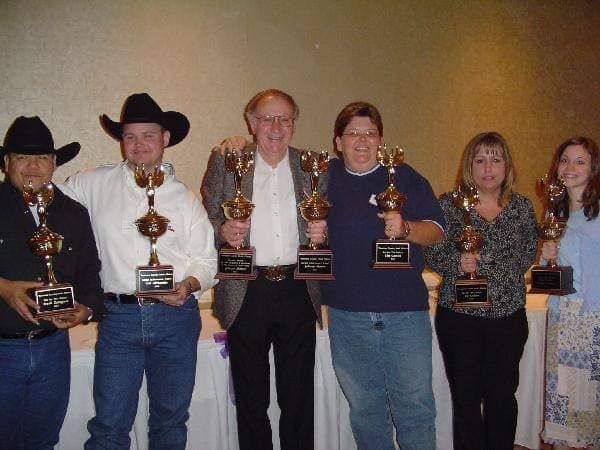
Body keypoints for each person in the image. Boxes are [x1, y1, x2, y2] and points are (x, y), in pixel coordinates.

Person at [65, 93, 218, 450]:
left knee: (170, 422)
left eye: (148, 135)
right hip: (118, 318)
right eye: (130, 136)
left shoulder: (184, 197)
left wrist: (188, 285)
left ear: (165, 138)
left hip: (176, 318)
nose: (139, 144)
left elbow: (208, 261)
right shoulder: (91, 184)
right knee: (109, 425)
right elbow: (44, 204)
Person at [201, 88, 326, 450]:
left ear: (294, 123)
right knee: (251, 399)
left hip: (297, 288)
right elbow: (204, 218)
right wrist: (221, 230)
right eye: (267, 118)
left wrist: (324, 232)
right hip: (246, 289)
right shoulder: (228, 161)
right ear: (251, 123)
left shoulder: (313, 165)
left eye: (284, 119)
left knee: (298, 397)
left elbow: (328, 219)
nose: (276, 126)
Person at [322, 101, 445, 450]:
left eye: (370, 133)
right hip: (348, 315)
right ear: (338, 141)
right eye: (353, 133)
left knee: (415, 407)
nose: (362, 141)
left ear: (381, 140)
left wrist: (406, 228)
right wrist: (239, 145)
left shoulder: (404, 176)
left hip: (405, 314)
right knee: (365, 410)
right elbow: (277, 158)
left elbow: (437, 231)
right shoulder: (323, 178)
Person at [424, 131, 538, 450]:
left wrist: (485, 262)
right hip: (459, 319)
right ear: (469, 165)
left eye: (495, 159)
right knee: (465, 399)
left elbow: (527, 252)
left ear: (506, 166)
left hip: (507, 317)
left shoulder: (521, 207)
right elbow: (432, 251)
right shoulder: (449, 204)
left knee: (502, 397)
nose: (488, 168)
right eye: (480, 160)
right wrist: (457, 262)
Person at [0, 116, 105, 450]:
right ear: (6, 163)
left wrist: (86, 310)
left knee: (43, 442)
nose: (33, 166)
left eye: (42, 158)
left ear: (54, 163)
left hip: (53, 350)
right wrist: (2, 287)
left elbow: (91, 275)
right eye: (22, 157)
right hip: (3, 350)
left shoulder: (73, 213)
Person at [540, 137, 600, 449]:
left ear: (593, 169)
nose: (570, 167)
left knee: (591, 403)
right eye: (564, 160)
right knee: (562, 399)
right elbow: (547, 273)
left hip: (593, 319)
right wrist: (546, 254)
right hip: (562, 319)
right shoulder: (554, 216)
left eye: (580, 161)